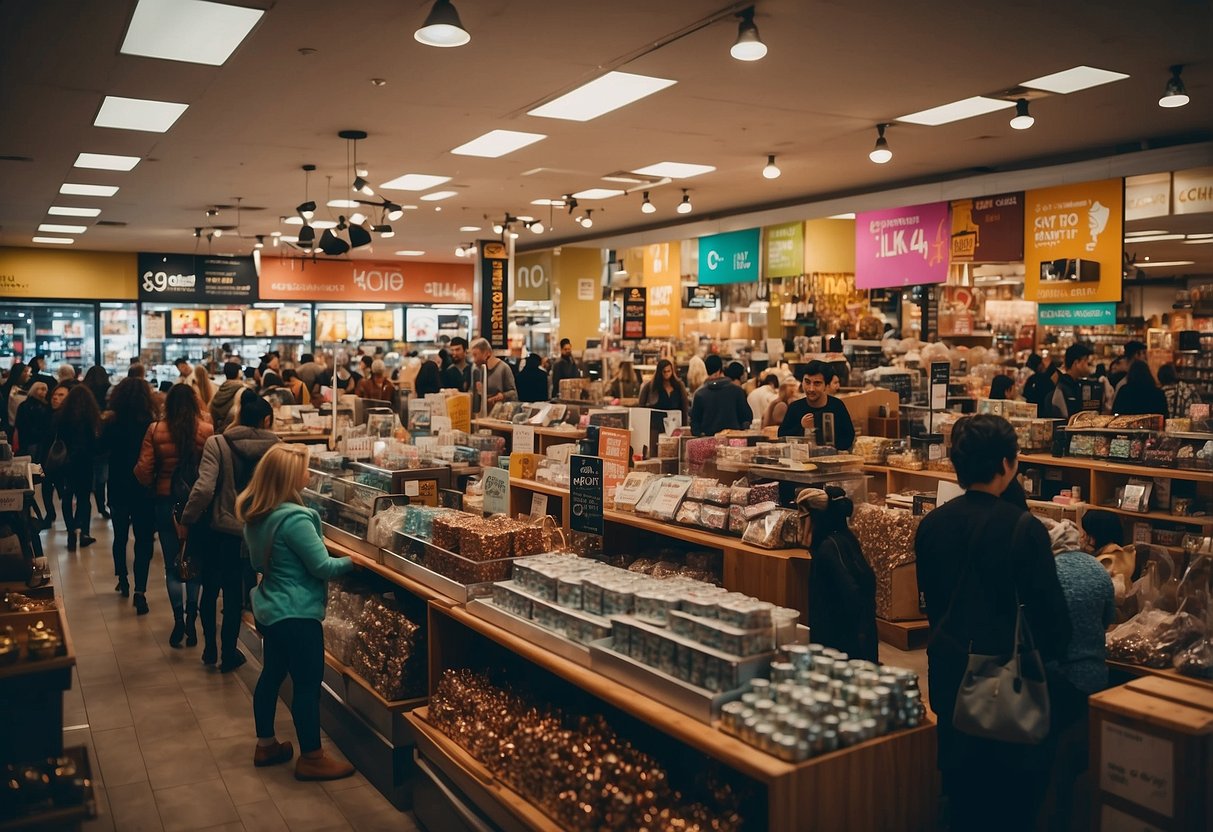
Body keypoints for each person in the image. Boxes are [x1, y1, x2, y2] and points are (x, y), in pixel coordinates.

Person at [915, 414, 1071, 831]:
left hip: (949, 672)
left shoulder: (931, 525)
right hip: (1006, 684)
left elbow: (930, 601)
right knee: (1010, 804)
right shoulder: (1024, 529)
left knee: (960, 793)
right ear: (1008, 464)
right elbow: (1053, 622)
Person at [238, 443, 355, 781]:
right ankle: (313, 757)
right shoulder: (295, 518)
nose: (309, 473)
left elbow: (262, 562)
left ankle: (266, 744)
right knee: (306, 685)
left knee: (271, 674)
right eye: (304, 468)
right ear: (289, 476)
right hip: (298, 613)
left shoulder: (256, 516)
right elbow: (322, 567)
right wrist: (354, 562)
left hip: (271, 608)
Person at [182, 390, 279, 672]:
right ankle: (228, 653)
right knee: (236, 594)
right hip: (253, 530)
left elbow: (204, 488)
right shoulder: (276, 447)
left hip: (219, 528)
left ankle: (210, 650)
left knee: (210, 589)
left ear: (239, 415)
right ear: (266, 420)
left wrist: (188, 518)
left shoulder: (218, 443)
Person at [1040, 516, 1116, 832]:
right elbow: (1107, 619)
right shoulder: (1099, 570)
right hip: (1095, 681)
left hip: (1055, 683)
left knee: (1053, 763)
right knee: (1081, 758)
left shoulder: (1045, 573)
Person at [135, 385, 214, 649]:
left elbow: (143, 470)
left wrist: (154, 480)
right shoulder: (205, 430)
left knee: (172, 564)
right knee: (195, 561)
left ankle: (178, 620)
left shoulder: (155, 430)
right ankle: (193, 616)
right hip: (197, 503)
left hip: (165, 501)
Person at [799, 486, 878, 662]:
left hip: (839, 643)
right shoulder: (845, 537)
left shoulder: (827, 549)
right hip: (858, 638)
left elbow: (851, 593)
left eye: (804, 517)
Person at [103, 377, 157, 611]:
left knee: (120, 536)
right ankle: (140, 590)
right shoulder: (151, 423)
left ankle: (122, 579)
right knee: (144, 539)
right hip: (143, 487)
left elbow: (101, 449)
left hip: (117, 485)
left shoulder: (112, 422)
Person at [53, 386, 101, 551]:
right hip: (85, 463)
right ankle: (84, 533)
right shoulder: (90, 418)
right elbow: (95, 444)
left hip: (66, 463)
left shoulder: (61, 417)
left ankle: (71, 531)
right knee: (84, 498)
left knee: (67, 498)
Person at [778, 361, 856, 451]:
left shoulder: (837, 406)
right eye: (807, 382)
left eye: (817, 383)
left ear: (826, 386)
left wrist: (831, 449)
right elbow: (781, 437)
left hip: (831, 460)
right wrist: (801, 427)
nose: (811, 389)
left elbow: (849, 436)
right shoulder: (795, 407)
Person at [689, 355, 752, 435]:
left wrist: (700, 436)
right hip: (733, 441)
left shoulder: (699, 394)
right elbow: (747, 417)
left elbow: (694, 422)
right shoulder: (737, 391)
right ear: (720, 370)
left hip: (708, 443)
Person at [82, 365, 113, 520]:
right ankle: (103, 506)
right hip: (105, 439)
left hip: (87, 439)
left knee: (88, 475)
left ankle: (88, 504)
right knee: (102, 476)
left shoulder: (84, 391)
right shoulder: (108, 389)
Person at [470, 338, 517, 413]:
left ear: (487, 353)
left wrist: (502, 395)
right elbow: (472, 390)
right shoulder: (476, 369)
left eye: (475, 355)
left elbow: (513, 393)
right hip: (480, 412)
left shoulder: (503, 368)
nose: (474, 360)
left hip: (498, 413)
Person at [637, 358, 690, 424]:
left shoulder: (678, 385)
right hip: (656, 423)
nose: (667, 374)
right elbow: (641, 406)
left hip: (674, 422)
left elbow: (684, 406)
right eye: (664, 371)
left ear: (672, 371)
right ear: (660, 372)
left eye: (669, 371)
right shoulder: (650, 386)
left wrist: (684, 424)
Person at [1050, 342, 1093, 419]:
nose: (1089, 366)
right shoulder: (1064, 387)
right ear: (1076, 363)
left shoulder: (1074, 384)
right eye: (1086, 361)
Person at [210, 362, 246, 429]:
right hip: (233, 430)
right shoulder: (242, 391)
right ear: (239, 374)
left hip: (218, 430)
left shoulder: (220, 389)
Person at [1, 362, 29, 437]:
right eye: (25, 371)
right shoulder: (11, 391)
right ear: (18, 373)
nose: (29, 374)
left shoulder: (22, 389)